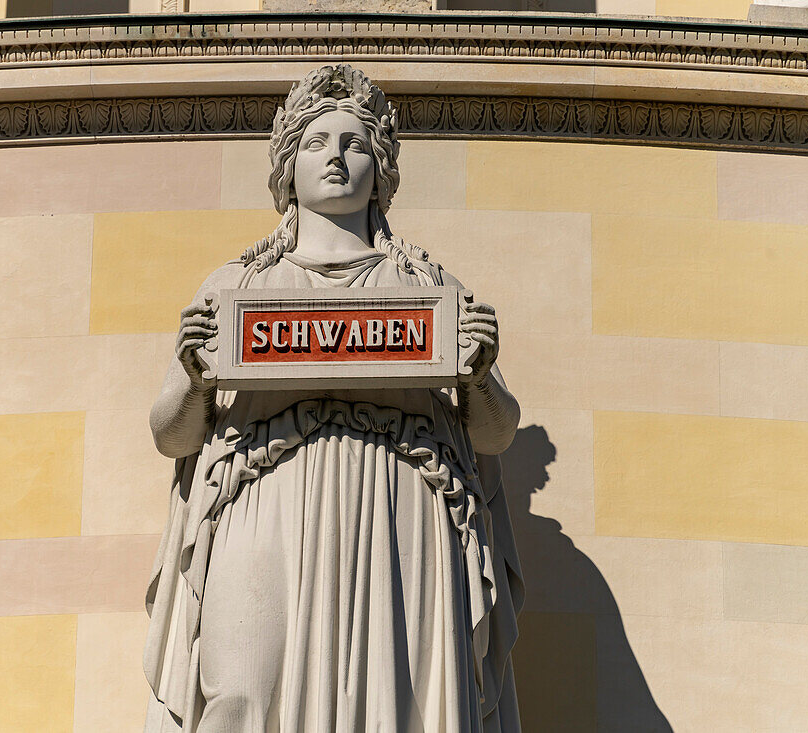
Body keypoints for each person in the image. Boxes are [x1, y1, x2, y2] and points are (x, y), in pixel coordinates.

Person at [143, 64, 524, 733]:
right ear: (288, 166)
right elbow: (171, 436)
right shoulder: (238, 283)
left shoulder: (428, 284)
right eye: (318, 143)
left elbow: (493, 434)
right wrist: (196, 377)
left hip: (400, 502)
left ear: (380, 167)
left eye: (354, 144)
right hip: (265, 499)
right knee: (240, 689)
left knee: (400, 705)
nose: (337, 158)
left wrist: (479, 376)